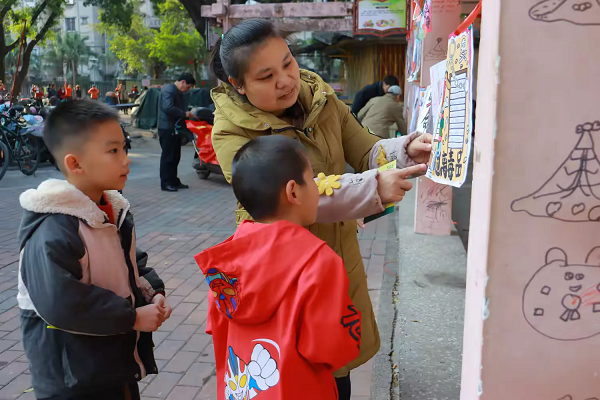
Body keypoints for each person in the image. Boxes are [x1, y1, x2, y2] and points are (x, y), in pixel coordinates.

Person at [210, 19, 432, 399]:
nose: (286, 80)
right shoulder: (231, 132)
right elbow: (292, 197)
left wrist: (402, 150)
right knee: (292, 369)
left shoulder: (321, 97)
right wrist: (373, 187)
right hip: (280, 273)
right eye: (266, 76)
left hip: (334, 255)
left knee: (336, 362)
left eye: (288, 62)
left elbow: (364, 147)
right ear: (239, 85)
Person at [17, 100, 172, 400]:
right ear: (75, 163)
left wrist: (152, 290)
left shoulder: (110, 210)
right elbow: (61, 302)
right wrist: (133, 318)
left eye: (124, 148)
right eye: (113, 151)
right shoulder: (54, 230)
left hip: (112, 366)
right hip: (73, 382)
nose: (125, 159)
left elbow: (129, 262)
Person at [195, 135, 361, 399]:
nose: (318, 188)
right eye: (314, 178)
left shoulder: (226, 263)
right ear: (293, 191)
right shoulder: (320, 262)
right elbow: (332, 348)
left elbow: (217, 326)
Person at [157, 73, 196, 192]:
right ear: (182, 82)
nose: (187, 90)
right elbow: (168, 107)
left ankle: (173, 180)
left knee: (175, 156)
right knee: (168, 156)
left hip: (175, 128)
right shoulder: (168, 90)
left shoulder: (177, 92)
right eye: (188, 87)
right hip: (166, 127)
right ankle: (166, 183)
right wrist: (184, 114)